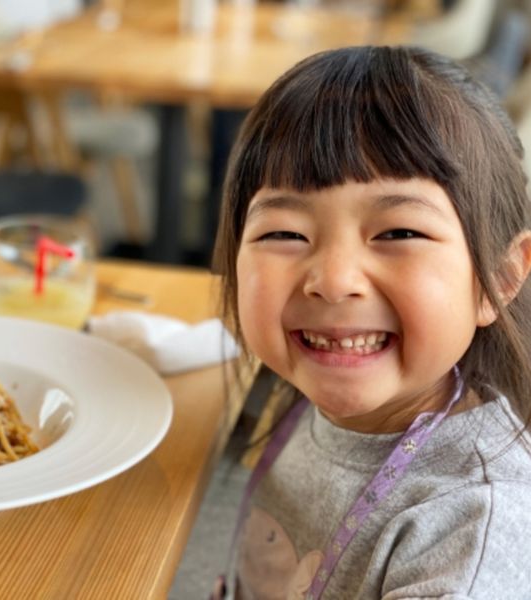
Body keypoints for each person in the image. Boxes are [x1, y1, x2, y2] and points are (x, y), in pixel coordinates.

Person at [213, 45, 531, 599]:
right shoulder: (316, 385)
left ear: (498, 280)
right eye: (284, 234)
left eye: (398, 233)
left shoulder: (471, 527)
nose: (333, 281)